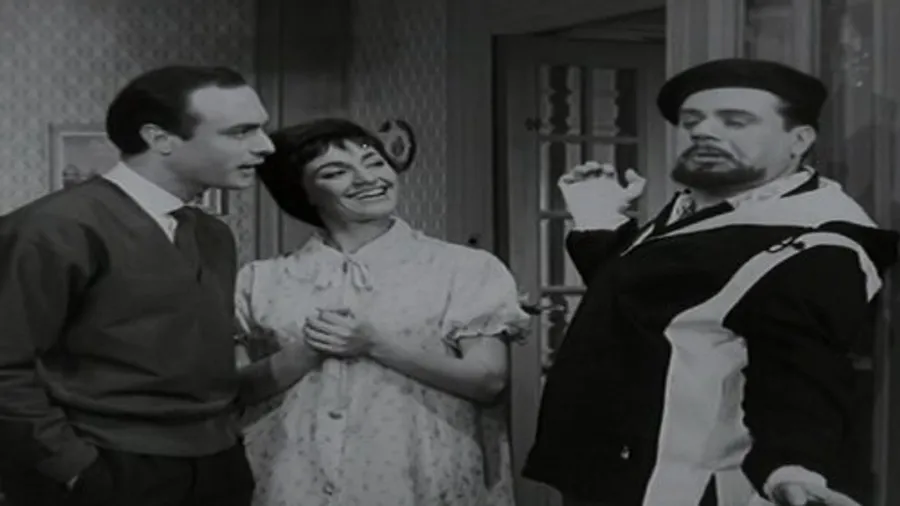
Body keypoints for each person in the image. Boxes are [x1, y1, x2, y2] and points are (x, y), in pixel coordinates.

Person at [522, 58, 899, 506]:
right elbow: (648, 305)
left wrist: (794, 468)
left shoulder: (817, 243)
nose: (703, 132)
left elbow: (802, 371)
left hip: (677, 486)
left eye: (735, 121)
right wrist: (598, 220)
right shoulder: (702, 208)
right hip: (604, 473)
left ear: (799, 140)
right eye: (691, 121)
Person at [0, 65, 275, 506]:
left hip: (216, 465)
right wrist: (71, 466)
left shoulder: (212, 234)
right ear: (160, 138)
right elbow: (5, 367)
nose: (265, 146)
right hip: (108, 466)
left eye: (261, 129)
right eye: (240, 132)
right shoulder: (52, 229)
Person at [235, 118, 530, 506]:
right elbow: (235, 389)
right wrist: (306, 352)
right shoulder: (261, 279)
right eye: (336, 172)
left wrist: (375, 345)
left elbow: (488, 379)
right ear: (302, 192)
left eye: (374, 162)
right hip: (291, 479)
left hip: (421, 475)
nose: (367, 178)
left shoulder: (465, 268)